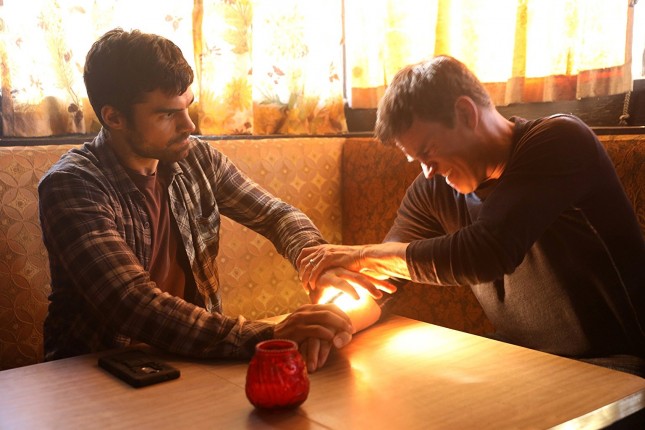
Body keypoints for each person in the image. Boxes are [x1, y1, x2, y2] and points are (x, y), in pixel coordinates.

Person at [38, 28, 363, 373]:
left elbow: (276, 215)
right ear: (114, 117)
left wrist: (318, 260)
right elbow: (132, 303)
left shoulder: (197, 159)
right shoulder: (72, 184)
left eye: (188, 107)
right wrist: (268, 335)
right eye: (167, 114)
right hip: (98, 371)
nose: (189, 125)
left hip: (196, 358)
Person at [299, 55, 645, 377]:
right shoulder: (433, 188)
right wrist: (334, 320)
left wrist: (362, 254)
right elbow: (382, 281)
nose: (428, 170)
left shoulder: (560, 141)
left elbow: (487, 252)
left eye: (428, 151)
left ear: (466, 113)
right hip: (521, 359)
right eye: (417, 160)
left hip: (615, 365)